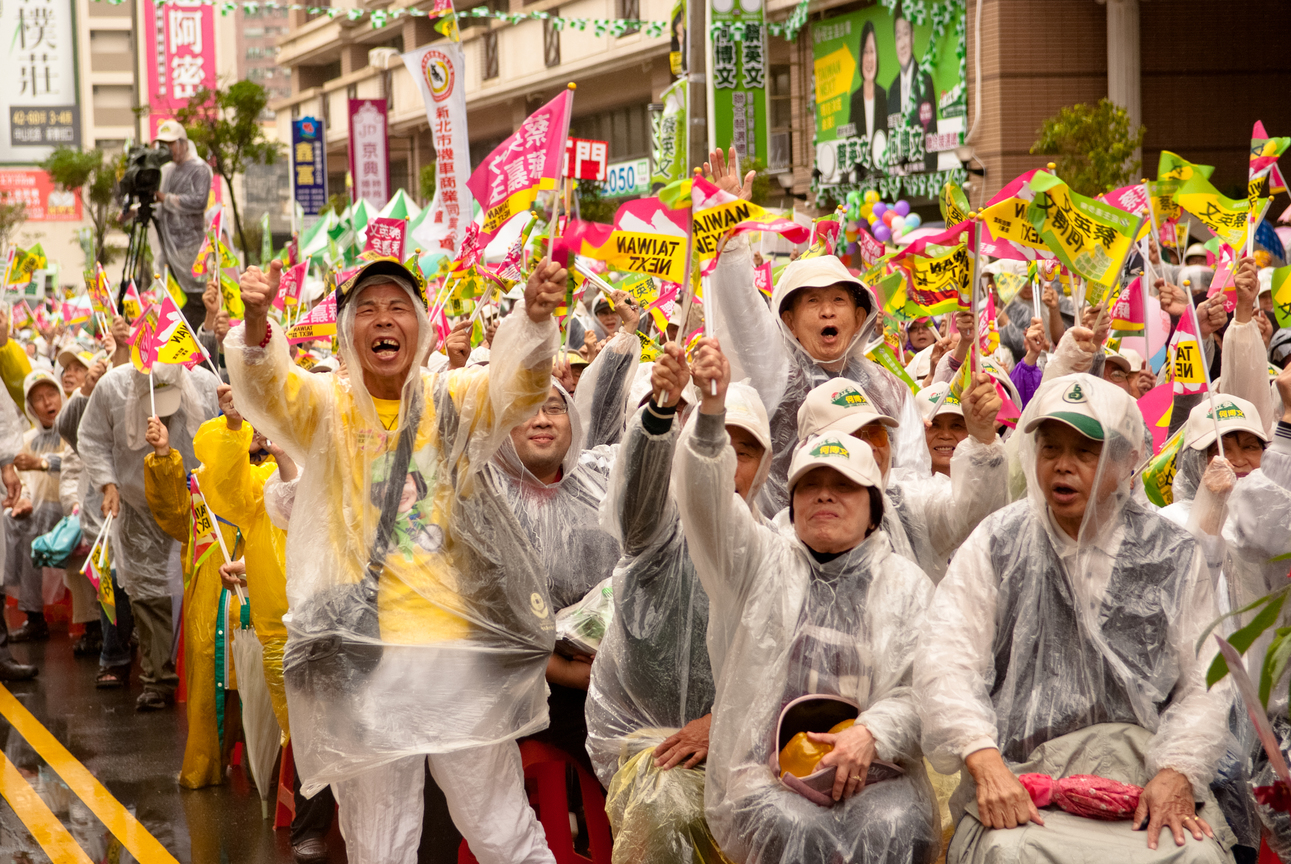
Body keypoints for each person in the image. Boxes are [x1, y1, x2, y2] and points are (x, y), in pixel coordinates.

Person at [229, 252, 567, 864]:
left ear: (420, 324)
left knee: (500, 826)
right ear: (348, 331)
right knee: (380, 840)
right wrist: (256, 321)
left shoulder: (452, 398)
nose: (384, 320)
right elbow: (266, 388)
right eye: (368, 309)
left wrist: (535, 322)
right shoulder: (327, 408)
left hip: (457, 658)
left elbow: (519, 387)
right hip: (368, 660)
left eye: (397, 307)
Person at [916, 373, 1234, 861]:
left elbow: (1206, 681)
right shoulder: (998, 541)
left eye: (1085, 452)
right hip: (1027, 778)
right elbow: (947, 659)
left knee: (1196, 856)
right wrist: (984, 759)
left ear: (1128, 460)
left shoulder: (1171, 552)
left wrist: (1178, 770)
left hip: (1142, 774)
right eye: (1050, 449)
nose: (1063, 467)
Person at [675, 336, 940, 864]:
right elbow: (708, 499)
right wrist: (709, 416)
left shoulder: (907, 586)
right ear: (791, 504)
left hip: (877, 771)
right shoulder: (758, 562)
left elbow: (923, 693)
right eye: (809, 484)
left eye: (843, 485)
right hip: (763, 774)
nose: (824, 494)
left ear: (873, 508)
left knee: (896, 823)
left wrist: (871, 735)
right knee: (791, 826)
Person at [586, 345, 772, 863]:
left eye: (747, 450)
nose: (729, 463)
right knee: (670, 806)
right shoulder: (657, 534)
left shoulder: (777, 548)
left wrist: (729, 722)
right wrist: (661, 414)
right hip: (649, 745)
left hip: (744, 745)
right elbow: (636, 497)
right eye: (718, 446)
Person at [704, 152, 926, 516]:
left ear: (859, 316)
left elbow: (913, 480)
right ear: (788, 321)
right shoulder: (777, 375)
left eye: (838, 299)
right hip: (786, 550)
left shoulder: (892, 391)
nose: (827, 310)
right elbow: (743, 310)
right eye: (813, 302)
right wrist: (730, 240)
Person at [77, 359, 221, 710]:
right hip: (137, 508)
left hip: (194, 501)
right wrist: (107, 483)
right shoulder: (112, 387)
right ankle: (159, 679)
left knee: (198, 590)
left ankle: (201, 676)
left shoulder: (204, 385)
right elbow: (91, 438)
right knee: (148, 593)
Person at [792, 374, 1008, 584]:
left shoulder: (905, 501)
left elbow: (971, 513)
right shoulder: (787, 537)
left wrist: (982, 439)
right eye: (852, 439)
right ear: (810, 448)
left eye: (876, 434)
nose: (870, 448)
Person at [143, 410, 243, 787]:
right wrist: (165, 455)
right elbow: (173, 514)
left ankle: (264, 770)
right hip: (211, 602)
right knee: (211, 684)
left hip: (265, 598)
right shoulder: (201, 488)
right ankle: (208, 766)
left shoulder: (275, 474)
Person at [4, 371, 74, 643]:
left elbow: (74, 462)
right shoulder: (27, 439)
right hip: (40, 509)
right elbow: (23, 480)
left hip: (71, 508)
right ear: (31, 407)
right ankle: (32, 615)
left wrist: (43, 463)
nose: (47, 403)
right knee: (15, 523)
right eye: (39, 399)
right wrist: (22, 499)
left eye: (51, 394)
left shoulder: (73, 428)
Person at [152, 120, 215, 322]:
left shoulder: (200, 169)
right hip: (170, 254)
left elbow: (198, 201)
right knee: (175, 307)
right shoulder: (166, 170)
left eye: (171, 144)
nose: (168, 149)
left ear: (183, 143)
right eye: (163, 144)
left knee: (196, 305)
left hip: (191, 250)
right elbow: (157, 204)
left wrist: (166, 198)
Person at [886, 4, 937, 172]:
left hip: (923, 168)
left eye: (906, 34)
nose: (902, 44)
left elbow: (932, 131)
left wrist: (929, 170)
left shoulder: (925, 79)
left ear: (913, 37)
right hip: (896, 173)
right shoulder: (892, 89)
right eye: (898, 36)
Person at [847, 19, 887, 144]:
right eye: (865, 52)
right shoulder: (855, 99)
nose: (869, 59)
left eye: (872, 52)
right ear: (860, 56)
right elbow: (850, 138)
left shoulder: (883, 95)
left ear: (877, 56)